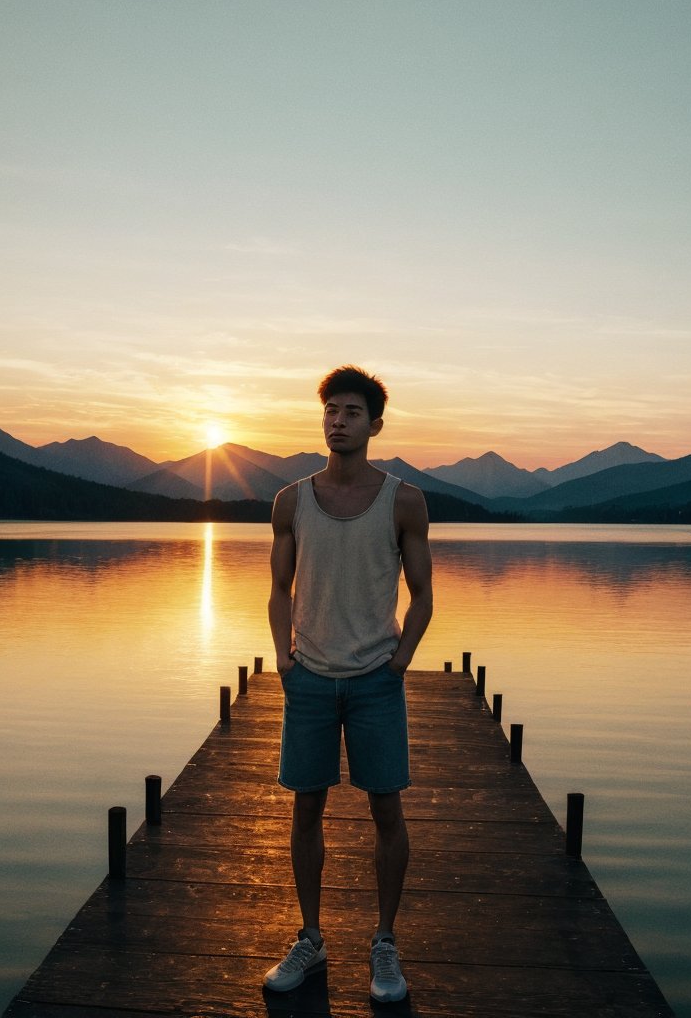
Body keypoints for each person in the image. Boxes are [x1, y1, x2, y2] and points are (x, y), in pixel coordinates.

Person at [263, 365, 434, 1004]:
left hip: (375, 682)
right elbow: (278, 590)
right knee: (306, 807)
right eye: (331, 410)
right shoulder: (290, 501)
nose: (338, 420)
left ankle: (384, 944)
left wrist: (398, 663)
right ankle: (311, 938)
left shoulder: (405, 501)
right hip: (308, 678)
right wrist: (284, 659)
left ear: (376, 424)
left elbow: (422, 598)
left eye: (352, 412)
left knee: (386, 809)